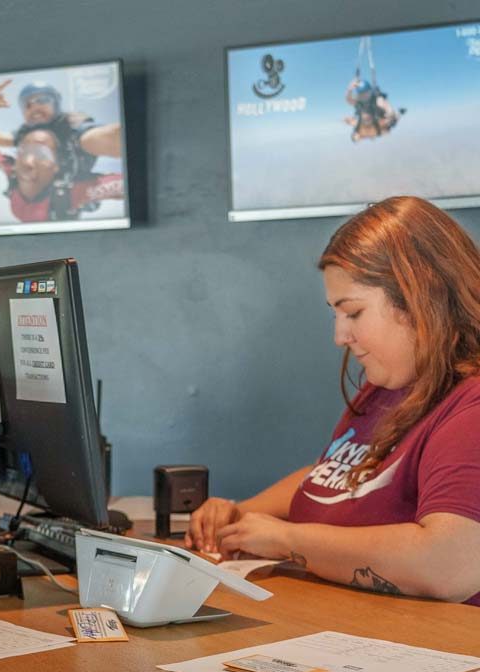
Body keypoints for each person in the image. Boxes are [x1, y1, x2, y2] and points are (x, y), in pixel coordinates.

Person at [185, 197, 480, 605]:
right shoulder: (385, 387)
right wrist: (243, 515)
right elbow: (338, 476)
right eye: (336, 315)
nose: (340, 336)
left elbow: (450, 566)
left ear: (420, 300)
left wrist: (287, 539)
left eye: (353, 312)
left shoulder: (470, 407)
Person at [0, 124, 125, 222]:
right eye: (23, 151)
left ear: (56, 166)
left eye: (42, 154)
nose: (28, 161)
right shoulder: (14, 171)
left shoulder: (73, 192)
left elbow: (122, 185)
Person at [0, 78, 122, 180]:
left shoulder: (72, 127)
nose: (35, 107)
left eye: (42, 100)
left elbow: (103, 138)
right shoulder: (25, 134)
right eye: (27, 104)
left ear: (56, 103)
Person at [344, 76, 403, 141]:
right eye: (361, 94)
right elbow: (348, 100)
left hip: (379, 120)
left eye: (366, 93)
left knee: (391, 122)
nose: (364, 96)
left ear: (370, 92)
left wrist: (390, 115)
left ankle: (399, 113)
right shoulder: (359, 101)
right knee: (359, 130)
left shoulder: (378, 100)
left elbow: (389, 109)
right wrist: (349, 89)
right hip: (369, 123)